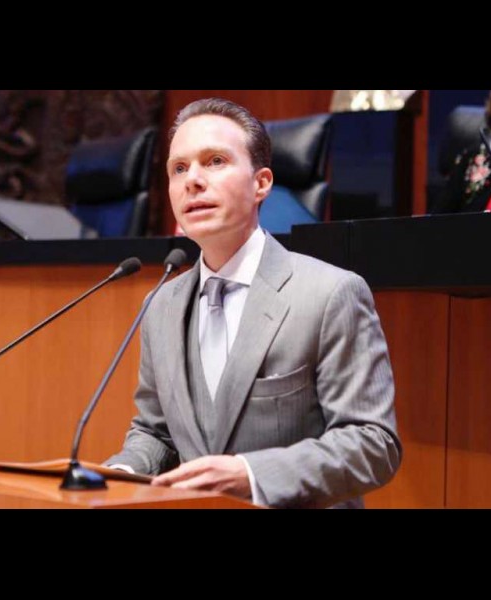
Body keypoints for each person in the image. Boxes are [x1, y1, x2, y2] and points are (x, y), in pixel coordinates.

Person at [106, 98, 401, 509]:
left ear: (261, 184)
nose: (193, 180)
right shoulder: (162, 305)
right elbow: (157, 433)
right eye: (179, 168)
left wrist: (252, 475)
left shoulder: (330, 293)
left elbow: (373, 444)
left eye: (215, 161)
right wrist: (119, 473)